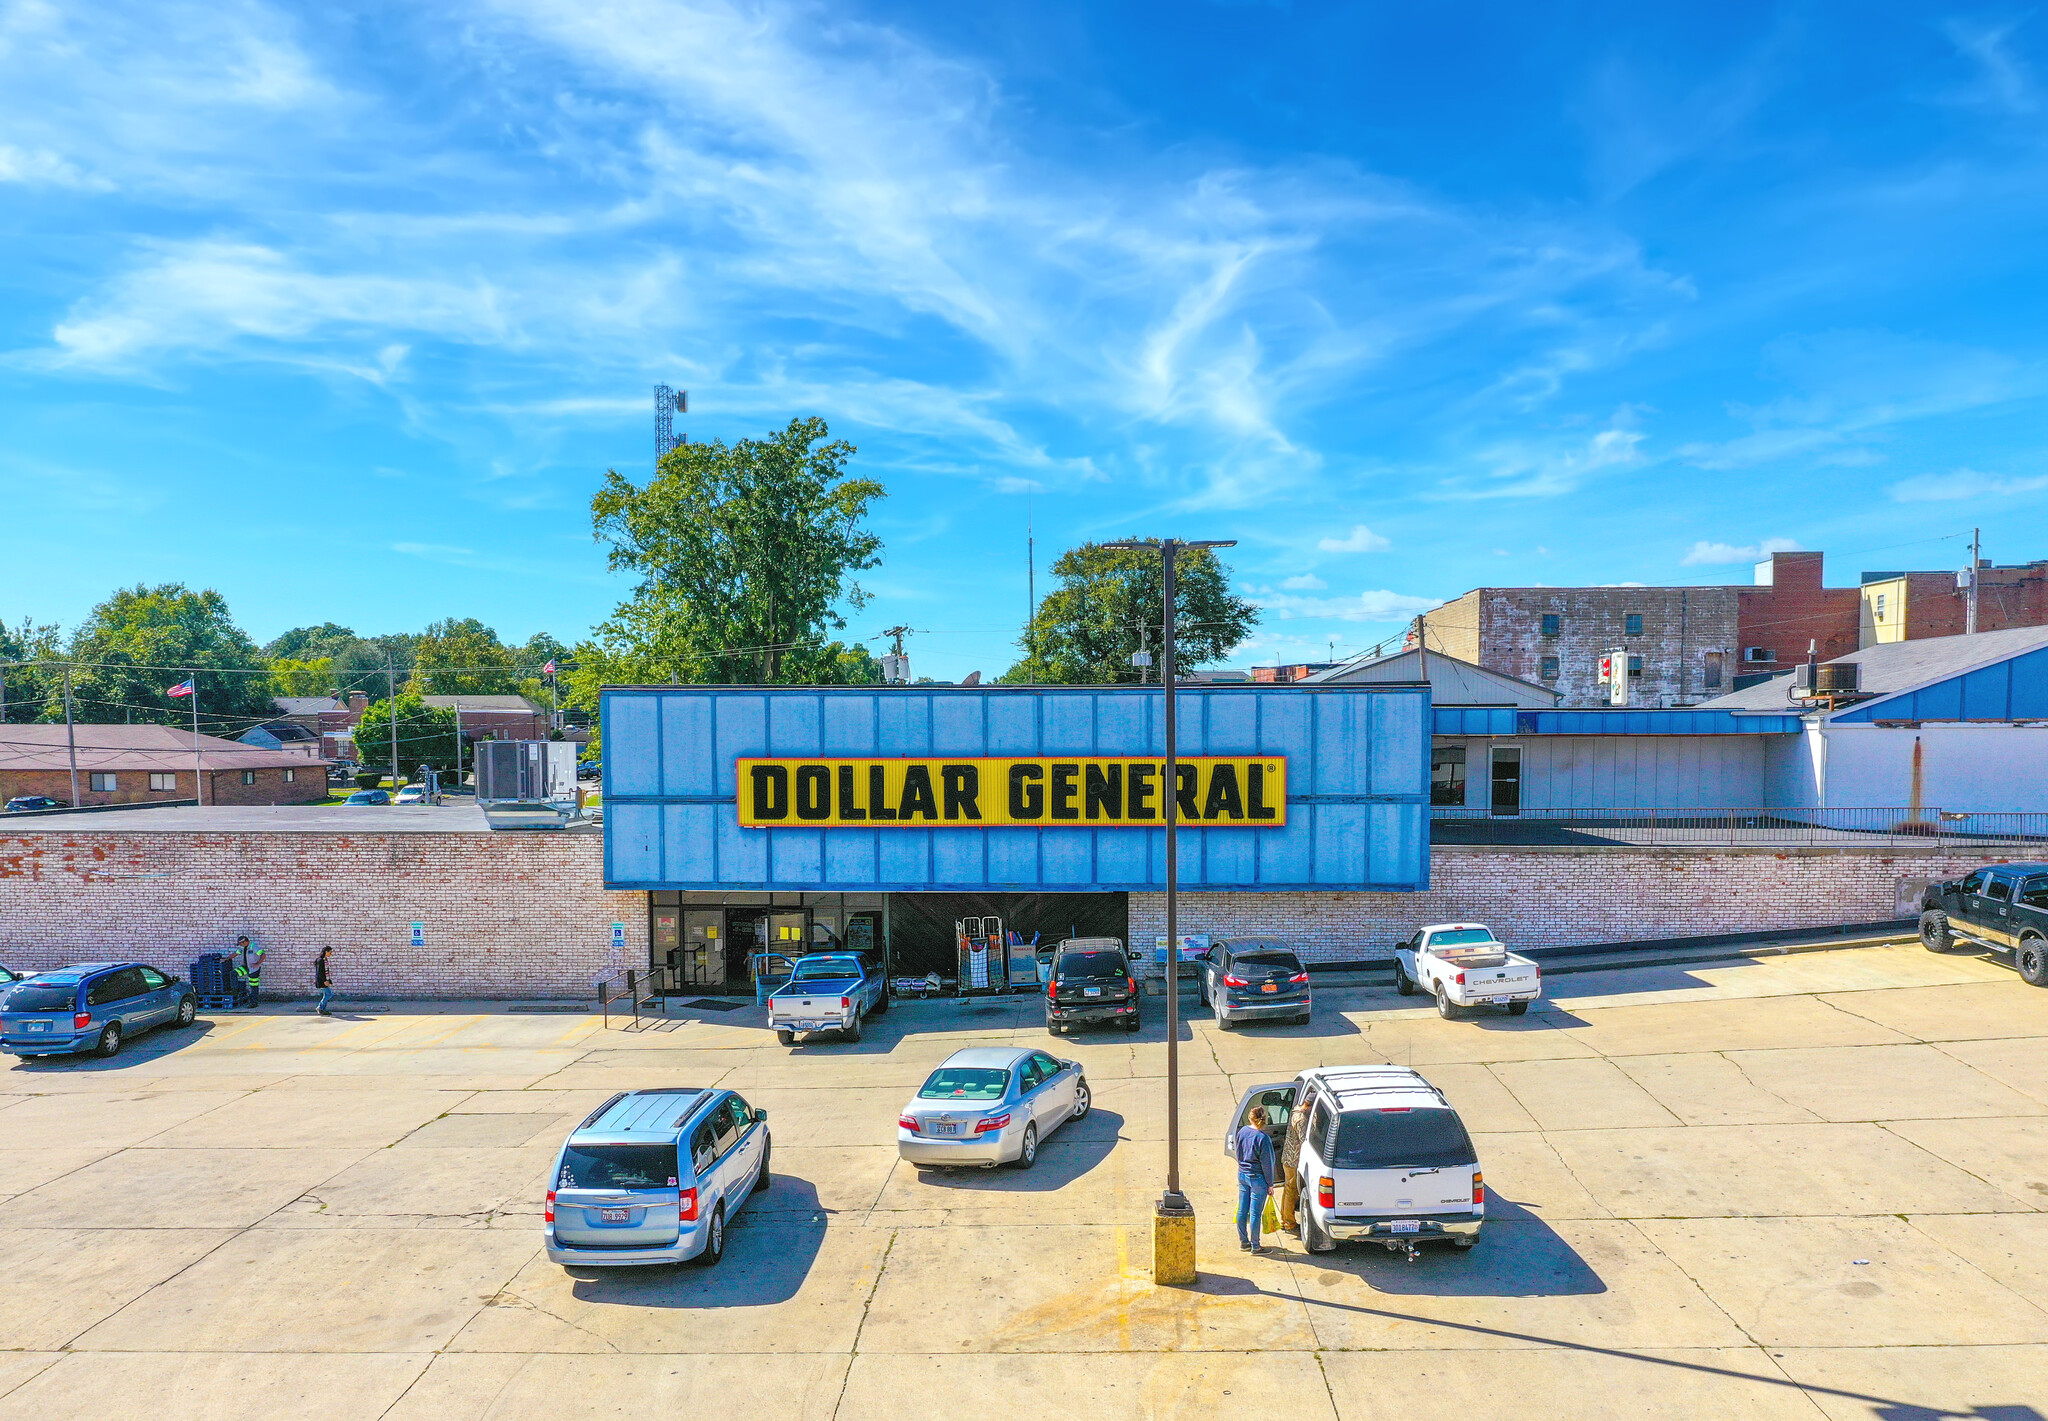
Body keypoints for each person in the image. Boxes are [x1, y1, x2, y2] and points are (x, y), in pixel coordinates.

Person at [1234, 1104, 1279, 1254]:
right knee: (1255, 1213)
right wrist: (1270, 1184)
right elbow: (1267, 1163)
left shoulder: (1242, 1132)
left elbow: (1238, 1152)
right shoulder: (1263, 1138)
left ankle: (1244, 1242)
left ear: (1250, 1117)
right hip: (1257, 1178)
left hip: (1243, 1174)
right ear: (1264, 1119)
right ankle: (1256, 1246)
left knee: (1242, 1209)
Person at [1278, 1098, 1312, 1235]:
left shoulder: (1295, 1111)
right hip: (1294, 1160)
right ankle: (1289, 1223)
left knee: (1288, 1190)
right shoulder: (1301, 1119)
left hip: (1288, 1158)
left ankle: (1285, 1220)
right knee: (1291, 1191)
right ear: (1308, 1105)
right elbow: (1305, 1140)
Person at [232, 936, 265, 1010]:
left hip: (254, 970)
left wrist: (257, 963)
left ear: (245, 942)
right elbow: (236, 954)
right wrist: (226, 958)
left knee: (253, 987)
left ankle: (254, 1003)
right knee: (233, 973)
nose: (240, 945)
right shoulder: (243, 948)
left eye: (241, 944)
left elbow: (263, 955)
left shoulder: (253, 947)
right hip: (246, 967)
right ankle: (235, 990)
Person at [315, 945, 335, 1016]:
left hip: (325, 980)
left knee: (326, 994)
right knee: (329, 994)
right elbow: (320, 972)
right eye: (330, 952)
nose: (331, 954)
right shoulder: (320, 960)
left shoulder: (325, 960)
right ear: (326, 952)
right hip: (322, 981)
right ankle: (320, 1007)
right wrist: (324, 981)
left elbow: (326, 971)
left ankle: (323, 1010)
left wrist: (329, 980)